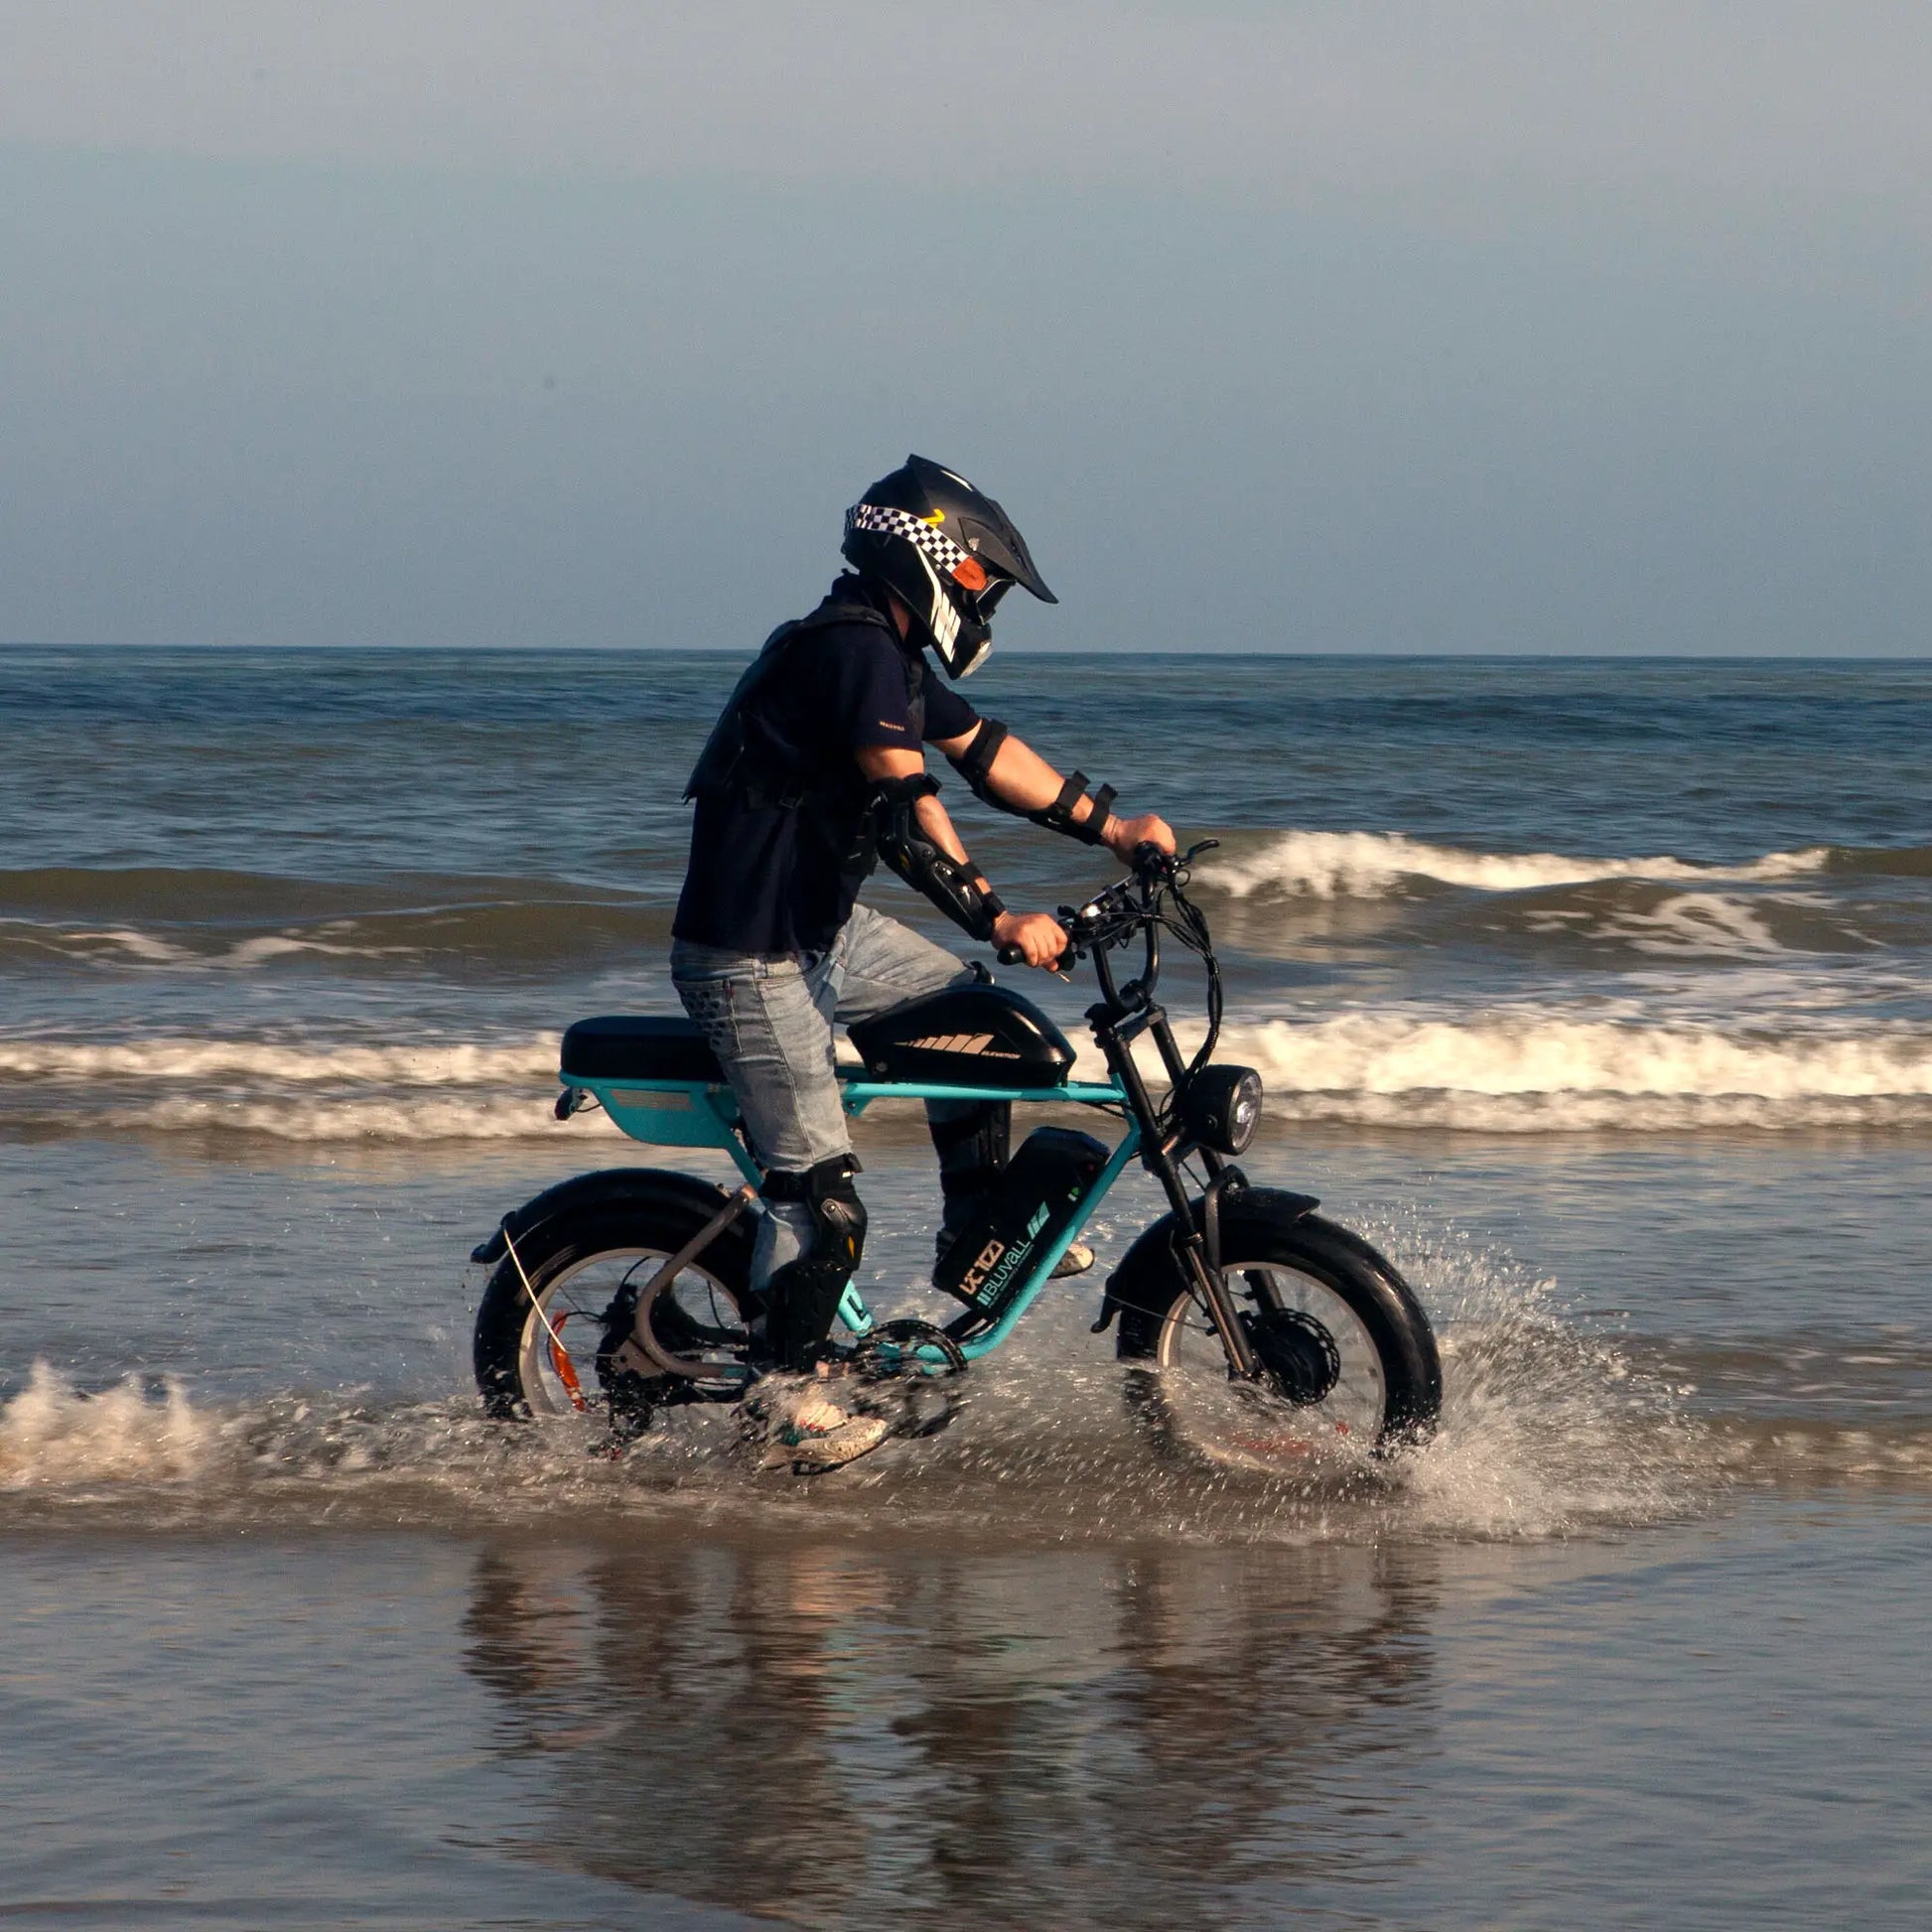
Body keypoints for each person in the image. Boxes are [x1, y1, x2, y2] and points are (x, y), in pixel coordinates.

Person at [665, 455, 1174, 1469]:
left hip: (818, 934)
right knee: (823, 1198)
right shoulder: (849, 650)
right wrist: (996, 913)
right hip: (750, 956)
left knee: (971, 1018)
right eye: (980, 579)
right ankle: (784, 1402)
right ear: (929, 561)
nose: (984, 602)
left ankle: (972, 1232)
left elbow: (986, 753)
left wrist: (1115, 828)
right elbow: (906, 809)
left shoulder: (885, 656)